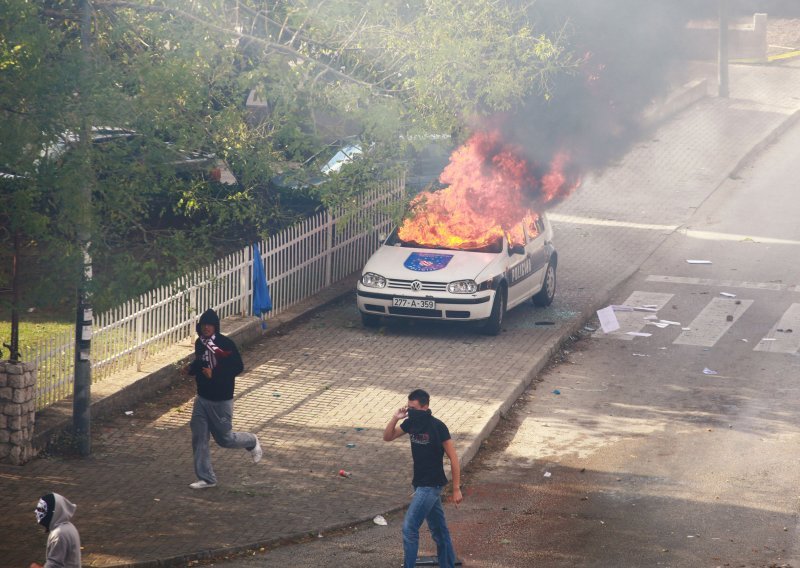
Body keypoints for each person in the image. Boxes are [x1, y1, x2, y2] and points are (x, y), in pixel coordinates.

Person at [383, 388, 463, 568]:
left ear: (425, 407)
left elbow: (454, 458)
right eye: (408, 407)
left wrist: (456, 488)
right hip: (419, 485)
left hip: (431, 485)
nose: (409, 411)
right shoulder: (411, 423)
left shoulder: (438, 426)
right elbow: (387, 437)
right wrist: (396, 417)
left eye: (413, 408)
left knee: (409, 528)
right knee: (440, 532)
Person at [182, 308, 262, 489]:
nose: (206, 328)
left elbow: (237, 367)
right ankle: (207, 478)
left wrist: (215, 373)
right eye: (203, 325)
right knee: (199, 437)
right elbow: (200, 362)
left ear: (216, 327)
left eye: (210, 325)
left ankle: (251, 441)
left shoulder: (226, 344)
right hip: (202, 398)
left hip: (221, 400)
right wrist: (190, 369)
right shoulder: (200, 343)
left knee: (225, 439)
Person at [30, 492, 81, 568]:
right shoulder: (68, 527)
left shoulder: (59, 534)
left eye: (41, 509)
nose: (36, 512)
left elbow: (54, 565)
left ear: (52, 512)